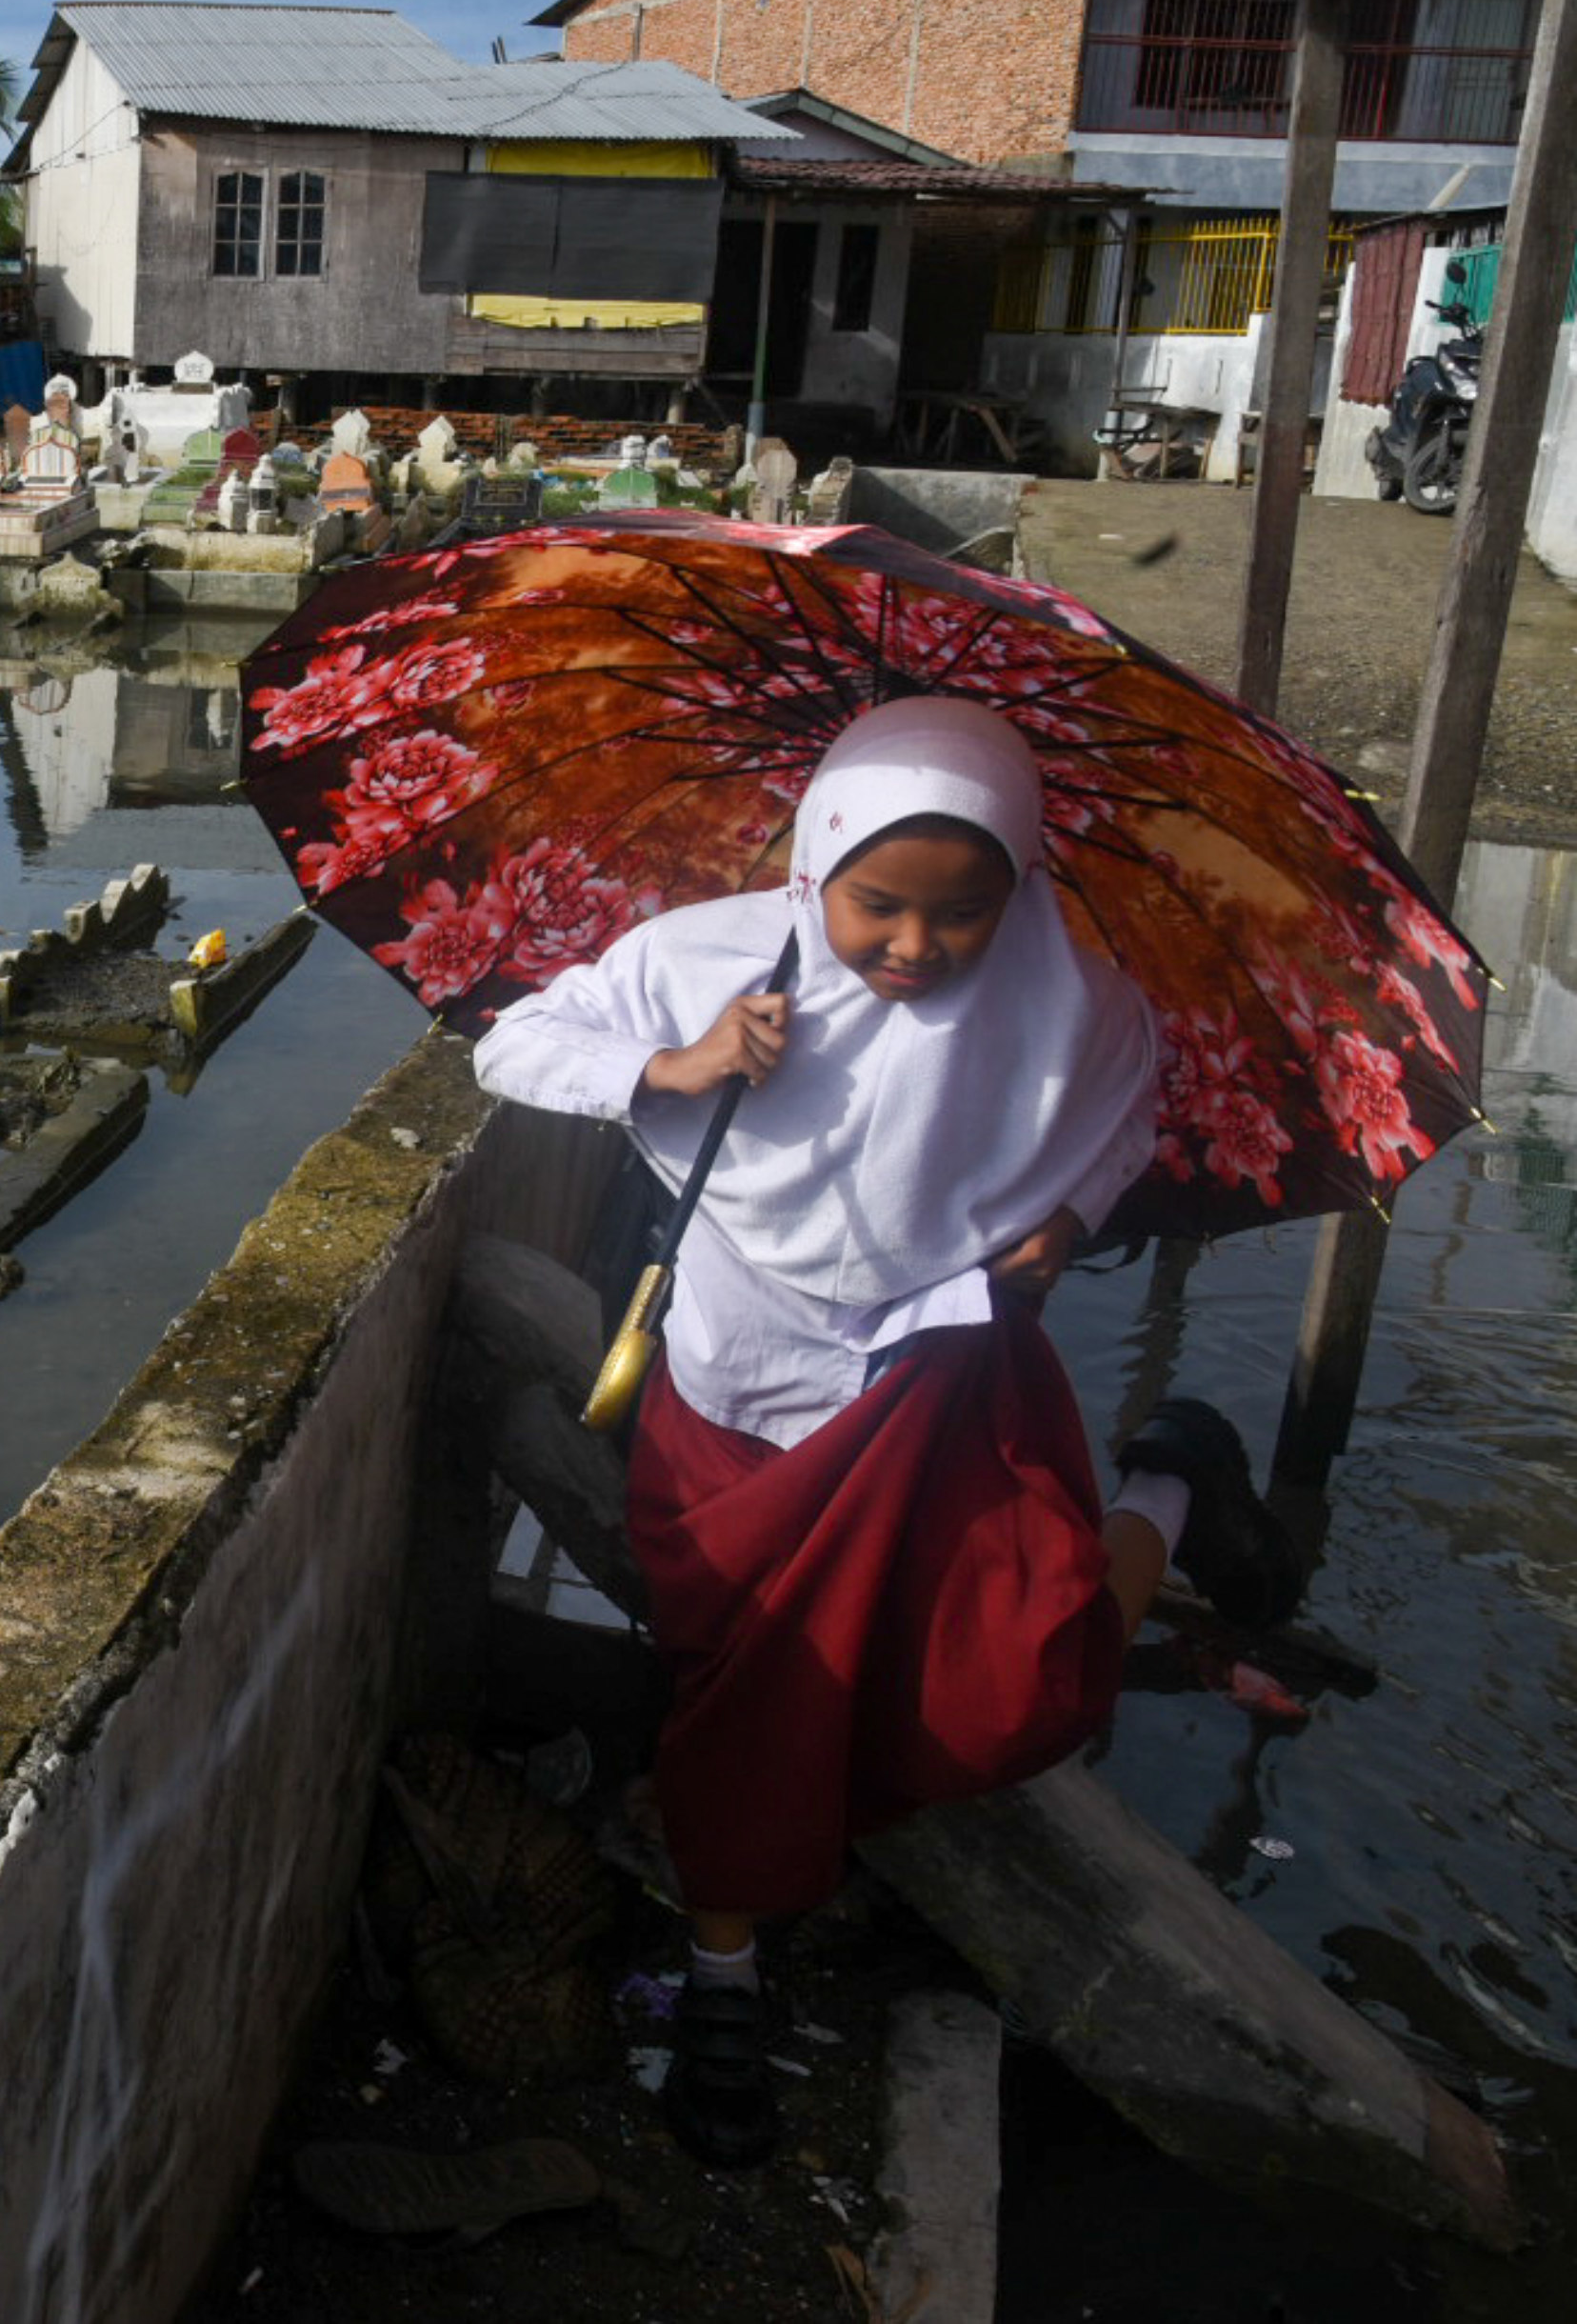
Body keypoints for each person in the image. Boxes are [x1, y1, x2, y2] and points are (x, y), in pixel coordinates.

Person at [471, 695, 1297, 2167]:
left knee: (1022, 1686)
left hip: (941, 1385)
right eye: (879, 907)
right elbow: (515, 1046)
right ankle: (725, 1989)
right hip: (735, 1404)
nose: (915, 949)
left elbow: (1117, 1122)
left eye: (964, 914)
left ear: (1023, 894)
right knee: (739, 1692)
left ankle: (1171, 1478)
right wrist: (673, 1066)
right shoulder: (706, 960)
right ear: (814, 865)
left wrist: (1060, 1229)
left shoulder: (1079, 1004)